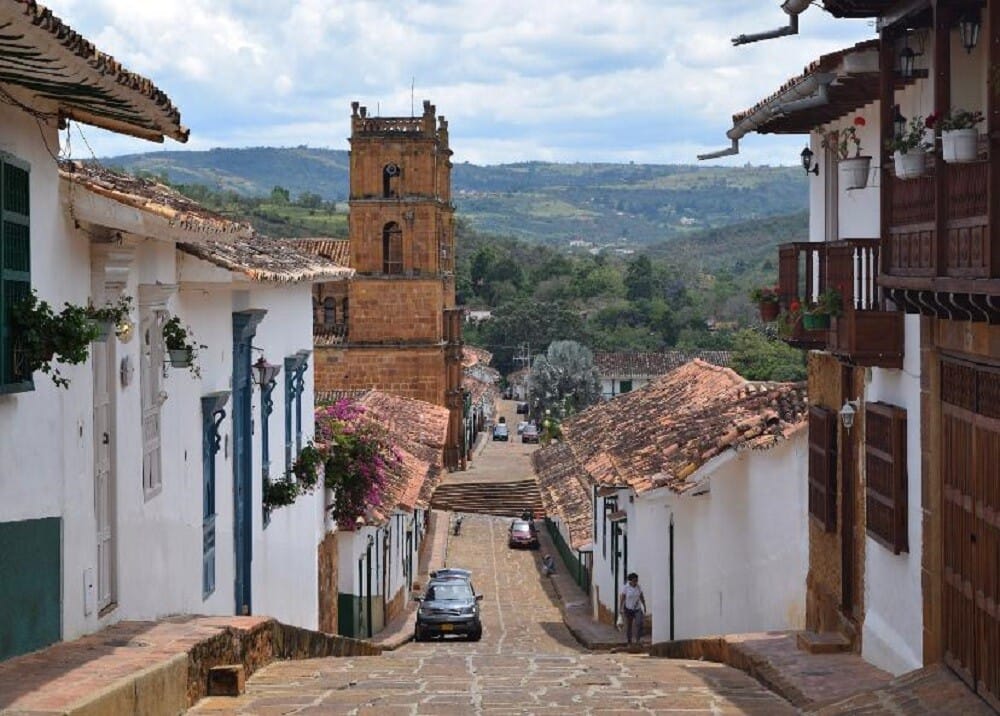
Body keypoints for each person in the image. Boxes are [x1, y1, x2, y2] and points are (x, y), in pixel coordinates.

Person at [618, 572, 646, 647]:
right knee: (629, 626)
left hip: (637, 608)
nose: (636, 582)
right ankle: (629, 642)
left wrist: (644, 605)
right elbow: (623, 598)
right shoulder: (626, 587)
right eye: (634, 580)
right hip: (628, 609)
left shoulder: (638, 587)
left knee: (639, 623)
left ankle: (638, 640)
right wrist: (620, 608)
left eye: (636, 580)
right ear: (630, 581)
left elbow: (641, 596)